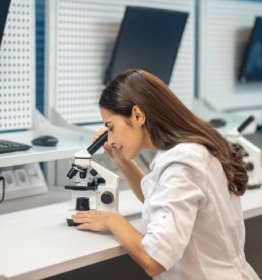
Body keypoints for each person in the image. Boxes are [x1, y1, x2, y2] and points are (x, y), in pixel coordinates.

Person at [72, 69, 260, 279]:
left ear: (137, 115)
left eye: (111, 127)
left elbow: (154, 259)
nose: (111, 138)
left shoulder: (181, 164)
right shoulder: (190, 148)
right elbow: (158, 199)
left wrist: (112, 221)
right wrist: (121, 160)